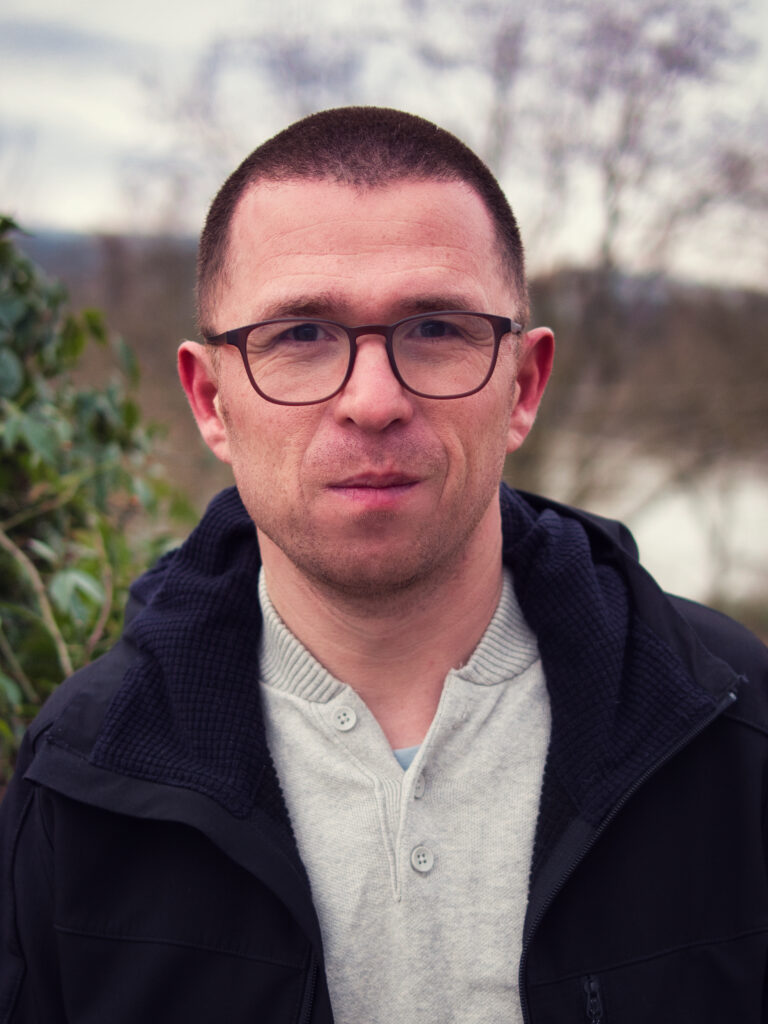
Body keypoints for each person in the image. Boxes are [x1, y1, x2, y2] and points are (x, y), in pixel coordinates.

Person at [1, 106, 767, 1024]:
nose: (373, 401)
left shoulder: (734, 729)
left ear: (523, 386)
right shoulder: (80, 775)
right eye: (300, 334)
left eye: (436, 327)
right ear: (210, 401)